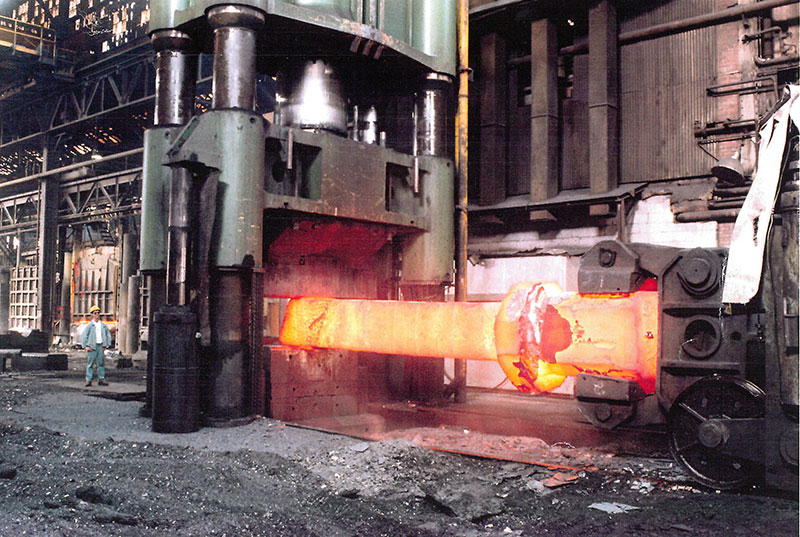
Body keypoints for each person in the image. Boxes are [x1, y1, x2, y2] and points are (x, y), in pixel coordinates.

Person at [81, 305, 112, 387]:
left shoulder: (103, 325)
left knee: (100, 364)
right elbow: (84, 336)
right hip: (92, 346)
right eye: (95, 313)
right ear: (92, 314)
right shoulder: (89, 325)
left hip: (100, 346)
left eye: (98, 313)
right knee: (90, 364)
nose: (97, 315)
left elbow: (107, 334)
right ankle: (88, 380)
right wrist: (86, 346)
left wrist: (106, 344)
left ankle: (101, 379)